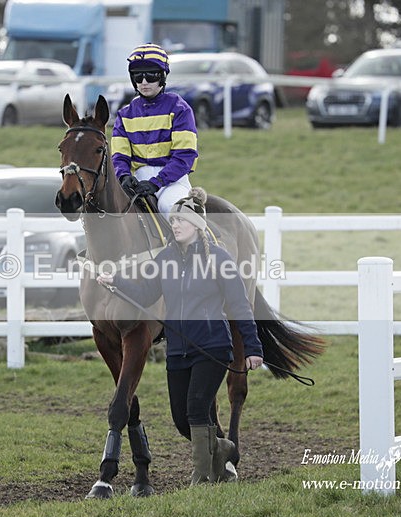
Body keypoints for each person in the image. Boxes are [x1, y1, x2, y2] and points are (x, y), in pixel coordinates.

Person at [96, 188, 264, 485]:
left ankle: (200, 478)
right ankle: (224, 448)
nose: (174, 226)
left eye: (181, 222)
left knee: (198, 409)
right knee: (181, 419)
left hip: (213, 347)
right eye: (173, 222)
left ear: (197, 227)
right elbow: (147, 292)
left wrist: (252, 348)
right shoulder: (166, 259)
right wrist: (116, 282)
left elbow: (240, 306)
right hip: (178, 351)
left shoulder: (220, 260)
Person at [111, 43, 198, 214]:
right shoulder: (124, 114)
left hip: (172, 181)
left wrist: (156, 182)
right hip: (137, 181)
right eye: (137, 77)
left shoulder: (179, 108)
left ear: (162, 77)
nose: (144, 82)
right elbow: (119, 156)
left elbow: (185, 155)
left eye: (150, 76)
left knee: (169, 207)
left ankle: (197, 240)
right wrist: (123, 175)